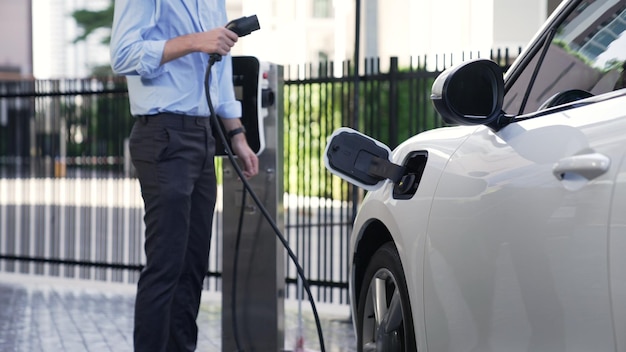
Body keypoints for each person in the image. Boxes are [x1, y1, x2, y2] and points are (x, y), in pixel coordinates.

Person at [109, 1, 259, 351]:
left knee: (192, 268)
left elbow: (220, 70)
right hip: (163, 134)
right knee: (167, 266)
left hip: (202, 134)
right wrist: (195, 41)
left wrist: (237, 134)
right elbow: (123, 55)